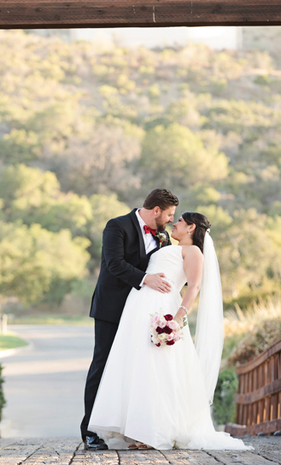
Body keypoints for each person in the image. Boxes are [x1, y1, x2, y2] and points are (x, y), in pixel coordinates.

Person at [88, 212, 253, 451]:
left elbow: (194, 285)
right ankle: (136, 431)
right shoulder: (167, 243)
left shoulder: (194, 251)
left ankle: (154, 432)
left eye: (179, 221)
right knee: (139, 367)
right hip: (138, 308)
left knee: (158, 368)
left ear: (190, 228)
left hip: (162, 309)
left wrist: (177, 317)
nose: (173, 224)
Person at [80, 188, 179, 451]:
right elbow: (114, 264)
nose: (170, 220)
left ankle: (130, 428)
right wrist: (146, 279)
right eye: (169, 214)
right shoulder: (117, 226)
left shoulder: (164, 236)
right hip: (111, 309)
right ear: (156, 210)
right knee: (102, 366)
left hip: (143, 313)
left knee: (136, 370)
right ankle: (90, 430)